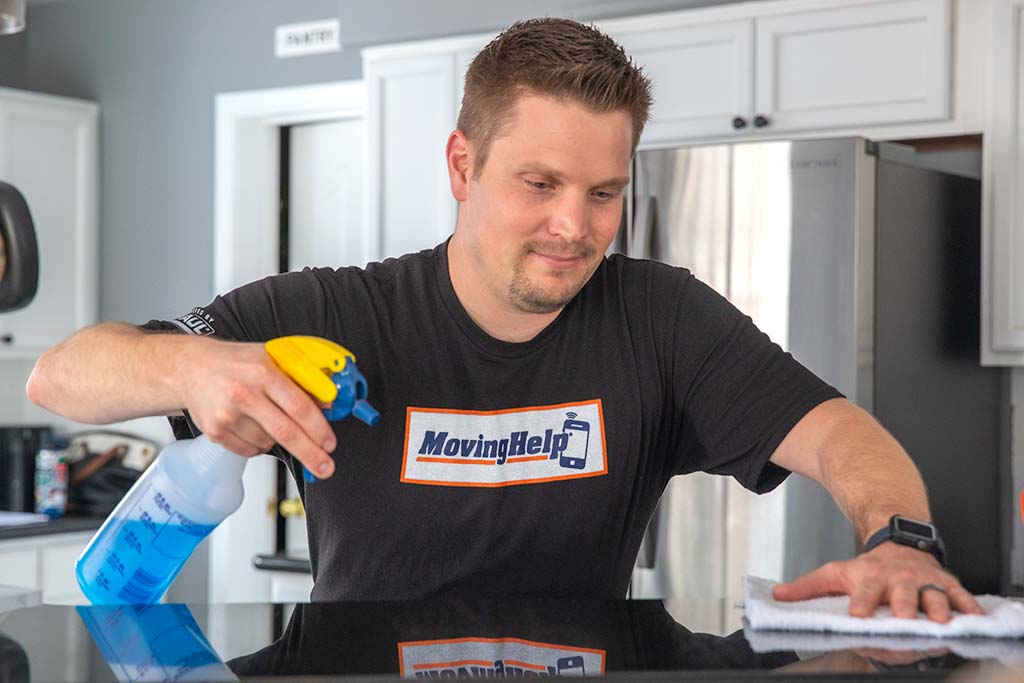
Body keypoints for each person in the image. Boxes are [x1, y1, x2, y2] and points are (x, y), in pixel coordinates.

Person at [27, 17, 982, 619]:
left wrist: (901, 537)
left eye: (604, 192)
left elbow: (841, 432)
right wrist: (193, 367)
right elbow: (60, 375)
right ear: (462, 166)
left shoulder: (661, 317)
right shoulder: (329, 311)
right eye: (540, 183)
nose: (575, 226)